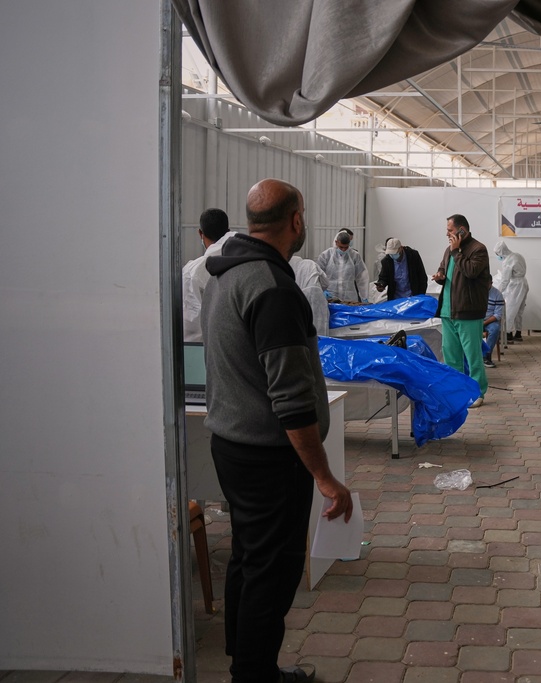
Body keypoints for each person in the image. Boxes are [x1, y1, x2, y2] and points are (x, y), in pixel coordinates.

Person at [202, 179, 353, 683]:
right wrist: (325, 477)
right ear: (295, 220)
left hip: (231, 445)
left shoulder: (225, 274)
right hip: (268, 458)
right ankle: (254, 674)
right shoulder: (272, 289)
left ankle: (248, 665)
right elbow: (291, 399)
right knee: (273, 573)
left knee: (249, 559)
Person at [432, 214, 490, 408]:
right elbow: (443, 269)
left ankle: (477, 393)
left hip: (468, 312)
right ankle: (457, 392)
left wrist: (457, 252)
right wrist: (440, 276)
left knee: (473, 355)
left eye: (450, 230)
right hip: (448, 311)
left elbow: (471, 272)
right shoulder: (449, 250)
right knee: (451, 356)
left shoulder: (478, 249)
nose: (447, 233)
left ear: (462, 230)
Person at [182, 208, 235, 342]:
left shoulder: (193, 272)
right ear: (228, 231)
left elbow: (193, 328)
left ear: (201, 233)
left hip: (209, 348)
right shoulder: (248, 261)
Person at [316, 229, 369, 303]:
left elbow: (362, 277)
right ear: (336, 242)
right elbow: (318, 275)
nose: (344, 250)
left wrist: (364, 296)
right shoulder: (326, 255)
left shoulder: (354, 256)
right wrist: (322, 290)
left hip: (349, 297)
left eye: (346, 247)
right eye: (341, 247)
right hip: (330, 297)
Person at [493, 241, 529, 342]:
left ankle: (508, 334)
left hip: (516, 286)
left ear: (501, 252)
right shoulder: (518, 255)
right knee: (519, 310)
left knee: (509, 310)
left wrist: (497, 292)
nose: (498, 256)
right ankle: (518, 333)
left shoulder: (508, 261)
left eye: (497, 254)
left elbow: (505, 280)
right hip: (524, 283)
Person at [289, 254, 330, 336]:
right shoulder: (310, 263)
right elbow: (325, 282)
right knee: (320, 323)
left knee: (303, 325)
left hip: (299, 297)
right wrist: (321, 289)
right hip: (317, 295)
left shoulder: (289, 267)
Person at [482, 275, 505, 369]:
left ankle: (486, 356)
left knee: (495, 329)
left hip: (490, 320)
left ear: (491, 283)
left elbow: (498, 315)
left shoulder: (497, 294)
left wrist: (484, 323)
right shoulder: (477, 292)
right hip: (477, 319)